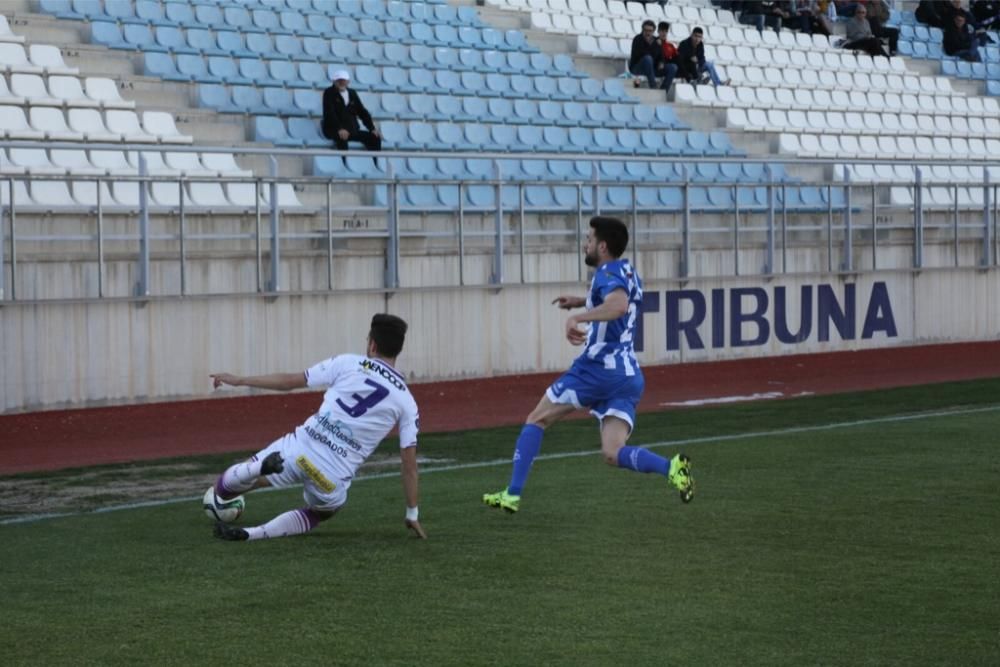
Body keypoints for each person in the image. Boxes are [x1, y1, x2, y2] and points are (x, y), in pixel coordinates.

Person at [482, 217, 694, 514]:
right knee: (612, 452)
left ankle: (512, 494)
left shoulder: (607, 271)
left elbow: (618, 305)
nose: (586, 244)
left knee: (536, 419)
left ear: (602, 246)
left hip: (598, 369)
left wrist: (578, 317)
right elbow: (619, 299)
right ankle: (672, 468)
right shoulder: (627, 270)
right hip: (628, 375)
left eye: (589, 239)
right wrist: (582, 301)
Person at [208, 313, 426, 541]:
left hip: (299, 449)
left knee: (226, 485)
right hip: (331, 476)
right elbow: (409, 465)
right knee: (323, 511)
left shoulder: (347, 363)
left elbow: (290, 382)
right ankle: (254, 534)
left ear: (372, 344)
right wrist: (412, 512)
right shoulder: (406, 401)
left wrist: (241, 380)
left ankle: (255, 470)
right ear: (397, 350)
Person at [321, 69, 381, 165]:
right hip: (334, 130)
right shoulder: (328, 93)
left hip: (351, 130)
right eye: (339, 80)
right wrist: (339, 129)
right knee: (342, 138)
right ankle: (344, 166)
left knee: (374, 137)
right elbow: (329, 113)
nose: (342, 82)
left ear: (348, 81)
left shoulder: (352, 93)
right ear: (334, 81)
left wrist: (372, 128)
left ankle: (375, 164)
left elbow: (362, 112)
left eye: (344, 80)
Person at [628, 19, 663, 89]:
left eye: (650, 31)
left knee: (672, 67)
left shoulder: (657, 40)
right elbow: (642, 55)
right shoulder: (637, 39)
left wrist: (661, 62)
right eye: (646, 30)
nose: (648, 33)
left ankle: (664, 90)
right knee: (648, 58)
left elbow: (660, 56)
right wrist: (654, 45)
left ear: (653, 31)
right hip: (637, 68)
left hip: (652, 68)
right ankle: (653, 86)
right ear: (642, 30)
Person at [656, 21, 680, 93]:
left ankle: (695, 78)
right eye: (662, 31)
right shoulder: (653, 42)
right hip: (655, 68)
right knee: (673, 67)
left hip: (665, 68)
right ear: (658, 31)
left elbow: (677, 57)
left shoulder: (670, 45)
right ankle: (663, 91)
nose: (664, 33)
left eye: (666, 31)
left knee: (679, 65)